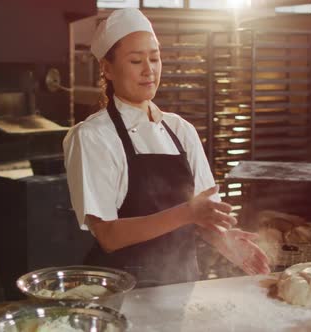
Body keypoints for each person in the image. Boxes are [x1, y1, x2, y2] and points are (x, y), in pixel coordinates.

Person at [63, 9, 270, 287]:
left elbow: (202, 212)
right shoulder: (93, 136)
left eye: (155, 58)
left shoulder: (180, 130)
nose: (149, 70)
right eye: (136, 60)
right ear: (107, 69)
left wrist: (225, 240)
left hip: (179, 285)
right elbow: (108, 236)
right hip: (120, 290)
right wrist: (188, 212)